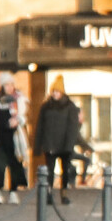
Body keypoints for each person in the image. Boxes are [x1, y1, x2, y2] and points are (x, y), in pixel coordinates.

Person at [33, 75, 82, 205]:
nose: (55, 94)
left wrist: (69, 145)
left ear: (62, 92)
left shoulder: (70, 107)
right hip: (49, 144)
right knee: (49, 171)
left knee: (65, 171)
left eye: (57, 91)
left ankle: (64, 193)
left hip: (64, 145)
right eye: (53, 91)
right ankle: (48, 193)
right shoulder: (46, 107)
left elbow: (73, 128)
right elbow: (40, 126)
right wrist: (38, 146)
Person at [0, 73, 29, 204]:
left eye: (11, 84)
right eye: (7, 84)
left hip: (13, 138)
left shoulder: (19, 99)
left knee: (14, 164)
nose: (9, 87)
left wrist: (18, 119)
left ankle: (13, 192)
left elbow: (25, 116)